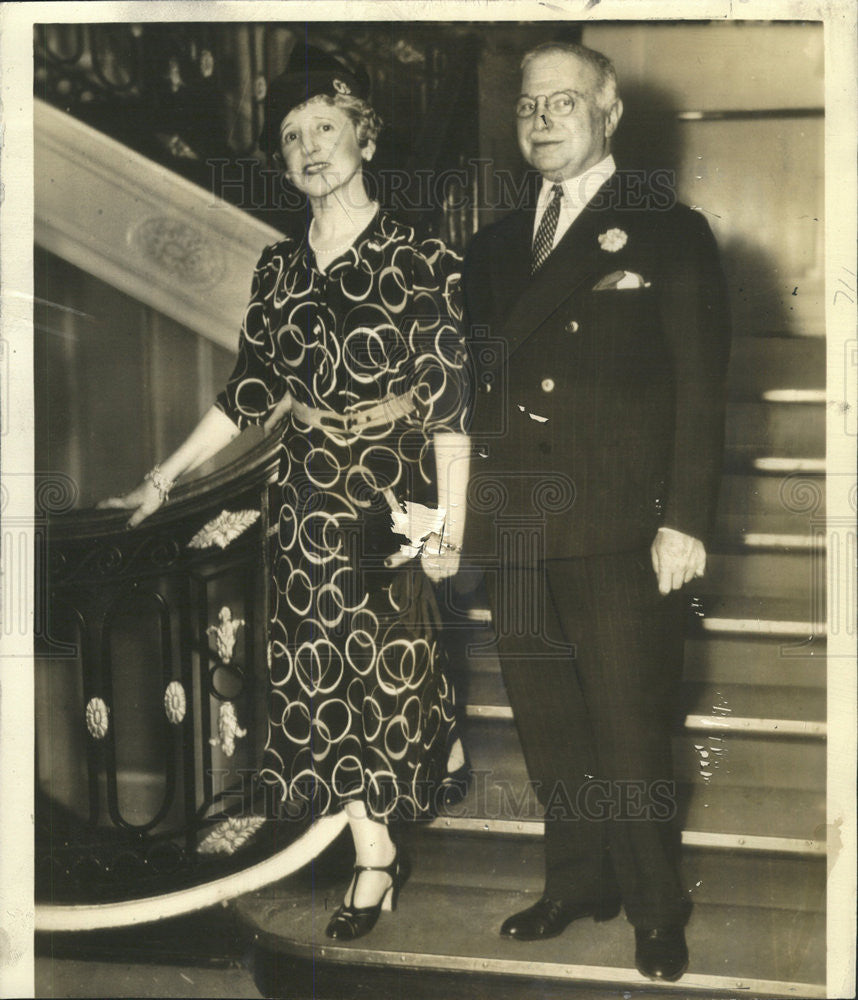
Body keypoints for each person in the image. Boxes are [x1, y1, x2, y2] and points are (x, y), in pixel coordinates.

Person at [100, 45, 471, 942]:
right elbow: (247, 396)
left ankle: (433, 743)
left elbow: (454, 411)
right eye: (292, 136)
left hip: (393, 498)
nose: (309, 148)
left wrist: (451, 527)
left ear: (364, 137)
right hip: (304, 497)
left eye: (326, 128)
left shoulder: (425, 259)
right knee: (319, 678)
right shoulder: (276, 269)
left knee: (396, 672)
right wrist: (162, 478)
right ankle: (374, 855)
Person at [462, 41, 730, 982]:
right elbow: (476, 395)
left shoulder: (667, 230)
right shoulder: (494, 246)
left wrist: (685, 521)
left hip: (621, 530)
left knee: (630, 726)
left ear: (609, 115)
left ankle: (658, 906)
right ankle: (576, 882)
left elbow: (701, 393)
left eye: (563, 103)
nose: (541, 120)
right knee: (549, 726)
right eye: (530, 106)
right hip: (521, 526)